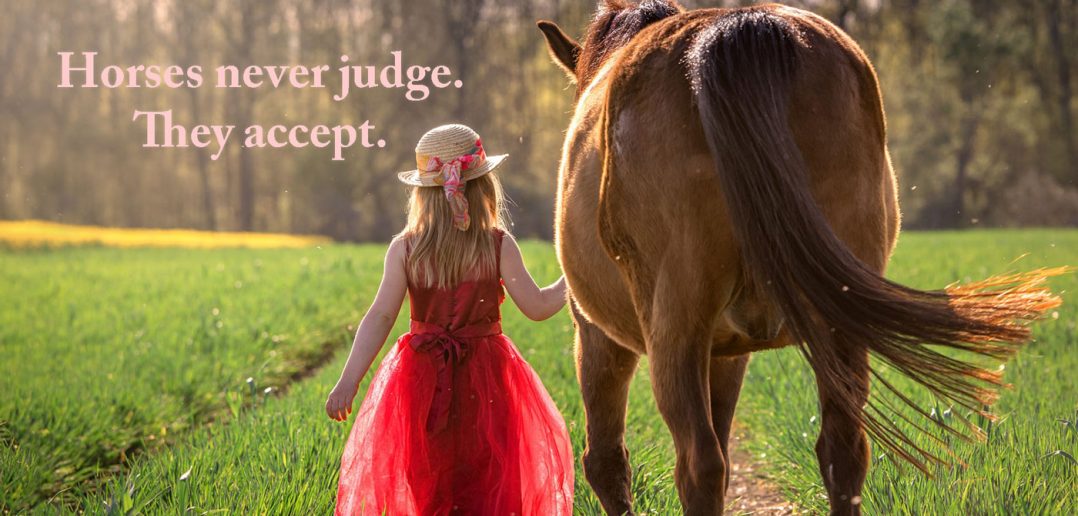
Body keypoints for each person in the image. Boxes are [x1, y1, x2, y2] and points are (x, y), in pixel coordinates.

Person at [326, 124, 574, 515]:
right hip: (488, 379)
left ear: (422, 195)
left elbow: (381, 315)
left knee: (429, 479)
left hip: (421, 379)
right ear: (484, 188)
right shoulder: (497, 244)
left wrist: (349, 381)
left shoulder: (406, 249)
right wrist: (576, 276)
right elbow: (539, 306)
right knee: (492, 478)